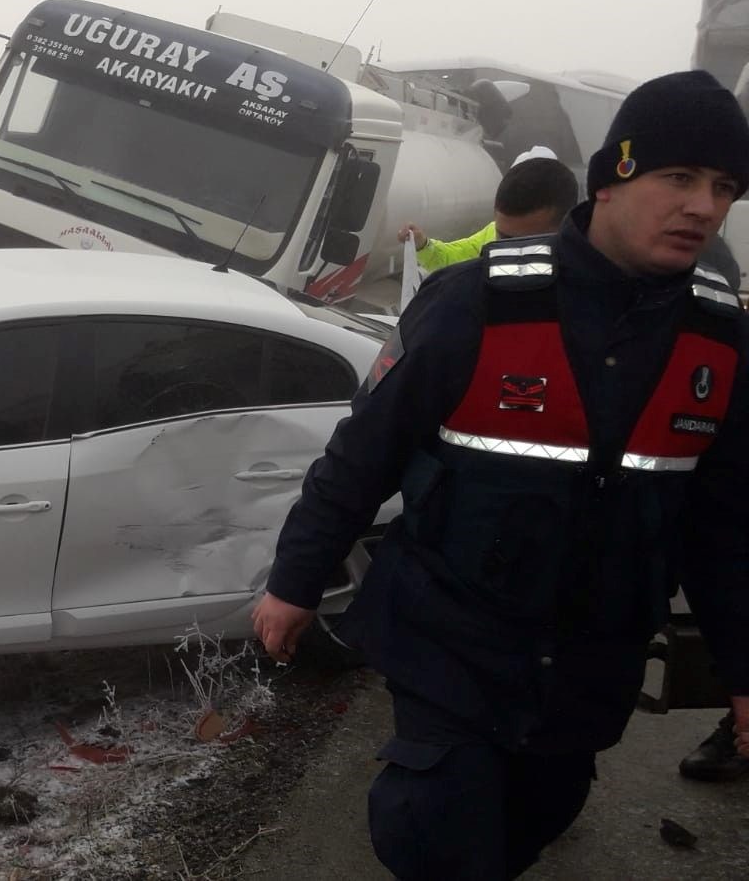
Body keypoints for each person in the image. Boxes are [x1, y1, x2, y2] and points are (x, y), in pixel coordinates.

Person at [252, 70, 749, 880]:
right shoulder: (476, 304)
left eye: (724, 186)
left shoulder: (718, 339)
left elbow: (725, 524)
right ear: (612, 181)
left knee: (535, 818)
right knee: (439, 829)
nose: (705, 205)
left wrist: (741, 670)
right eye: (680, 178)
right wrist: (295, 580)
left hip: (593, 665)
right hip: (456, 644)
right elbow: (364, 451)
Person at [396, 146, 578, 273]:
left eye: (529, 240)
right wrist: (422, 245)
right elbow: (449, 259)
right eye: (504, 238)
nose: (513, 247)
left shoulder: (584, 260)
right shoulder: (490, 234)